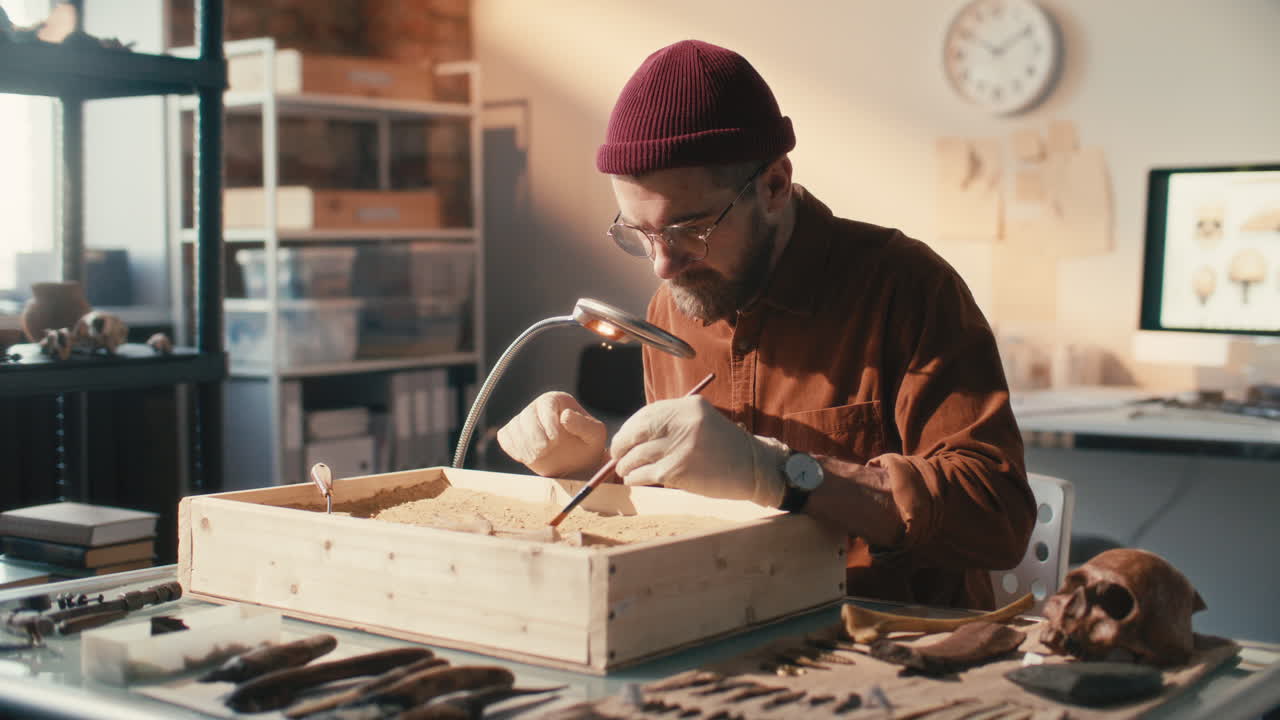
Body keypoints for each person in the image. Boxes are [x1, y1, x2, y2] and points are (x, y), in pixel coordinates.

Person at [497, 39, 1034, 610]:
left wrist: (782, 473)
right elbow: (681, 518)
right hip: (726, 628)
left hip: (899, 644)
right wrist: (590, 475)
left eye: (690, 228)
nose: (663, 263)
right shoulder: (671, 305)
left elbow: (997, 516)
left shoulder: (907, 289)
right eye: (640, 233)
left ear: (775, 185)